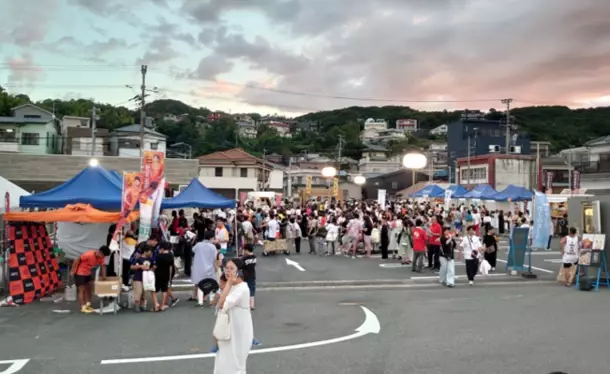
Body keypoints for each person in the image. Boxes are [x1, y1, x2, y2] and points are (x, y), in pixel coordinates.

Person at [214, 258, 254, 374]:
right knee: (223, 361)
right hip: (227, 330)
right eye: (226, 268)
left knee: (235, 363)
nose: (227, 271)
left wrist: (228, 284)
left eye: (231, 268)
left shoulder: (242, 289)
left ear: (239, 272)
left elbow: (221, 304)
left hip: (238, 332)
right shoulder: (231, 286)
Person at [71, 245, 111, 314]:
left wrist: (104, 277)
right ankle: (83, 307)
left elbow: (103, 266)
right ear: (100, 252)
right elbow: (77, 260)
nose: (103, 257)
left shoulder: (101, 257)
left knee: (89, 288)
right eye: (103, 255)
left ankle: (88, 304)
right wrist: (72, 271)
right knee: (81, 289)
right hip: (79, 272)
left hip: (87, 272)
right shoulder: (88, 255)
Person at [190, 231, 219, 306]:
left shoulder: (198, 244)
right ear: (211, 238)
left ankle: (198, 298)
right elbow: (215, 258)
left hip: (198, 267)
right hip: (209, 267)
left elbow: (193, 250)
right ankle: (209, 299)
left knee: (198, 283)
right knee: (210, 283)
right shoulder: (212, 246)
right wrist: (216, 267)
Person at [130, 245, 154, 312]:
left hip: (146, 278)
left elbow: (152, 267)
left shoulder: (150, 260)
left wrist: (152, 269)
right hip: (138, 278)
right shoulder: (138, 259)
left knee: (144, 292)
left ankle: (142, 306)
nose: (151, 253)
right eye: (150, 251)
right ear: (145, 251)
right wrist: (140, 266)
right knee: (138, 292)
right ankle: (137, 306)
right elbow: (132, 267)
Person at [241, 244, 257, 310]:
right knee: (252, 289)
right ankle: (252, 305)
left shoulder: (245, 258)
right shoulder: (254, 257)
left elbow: (241, 265)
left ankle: (245, 303)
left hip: (245, 275)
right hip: (252, 275)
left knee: (245, 289)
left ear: (247, 250)